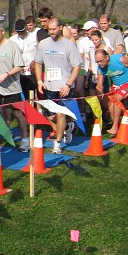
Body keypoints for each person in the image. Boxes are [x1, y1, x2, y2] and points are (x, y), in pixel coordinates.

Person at [34, 17, 81, 154]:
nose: (51, 32)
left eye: (54, 29)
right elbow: (38, 63)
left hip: (64, 87)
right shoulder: (43, 44)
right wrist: (39, 81)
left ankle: (58, 143)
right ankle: (67, 126)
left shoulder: (68, 45)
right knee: (51, 117)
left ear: (60, 28)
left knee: (60, 114)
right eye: (49, 30)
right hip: (49, 86)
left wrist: (68, 84)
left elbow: (76, 66)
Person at [0, 23, 28, 151]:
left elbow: (20, 66)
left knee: (17, 113)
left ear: (3, 32)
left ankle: (25, 139)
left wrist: (6, 74)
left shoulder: (12, 46)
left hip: (12, 87)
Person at [94, 49, 128, 135]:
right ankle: (120, 126)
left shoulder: (120, 59)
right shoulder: (100, 69)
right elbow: (99, 85)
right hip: (117, 85)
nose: (99, 64)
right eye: (97, 62)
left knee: (116, 100)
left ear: (107, 57)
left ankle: (114, 127)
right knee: (110, 105)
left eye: (101, 61)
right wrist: (100, 96)